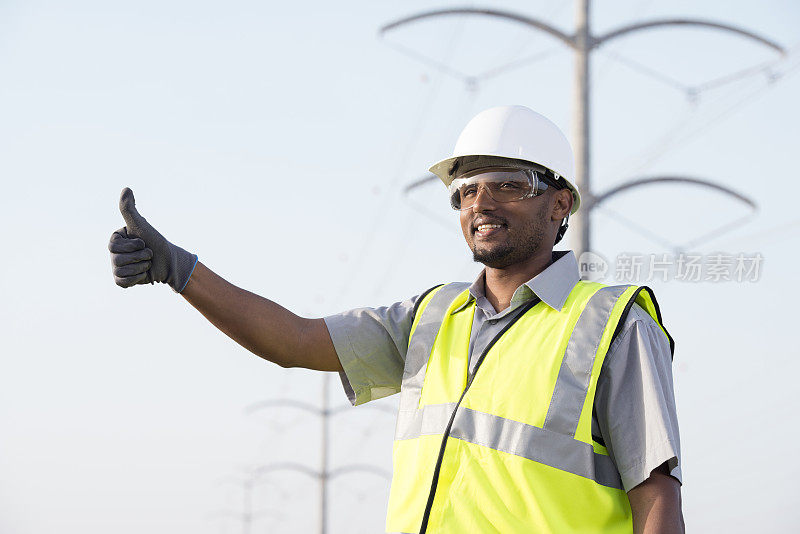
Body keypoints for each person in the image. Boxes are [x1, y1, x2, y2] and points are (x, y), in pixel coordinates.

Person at [109, 105, 683, 533]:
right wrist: (181, 270)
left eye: (509, 185)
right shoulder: (432, 317)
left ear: (559, 204)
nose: (480, 204)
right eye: (465, 191)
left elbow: (655, 493)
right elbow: (296, 339)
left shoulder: (615, 323)